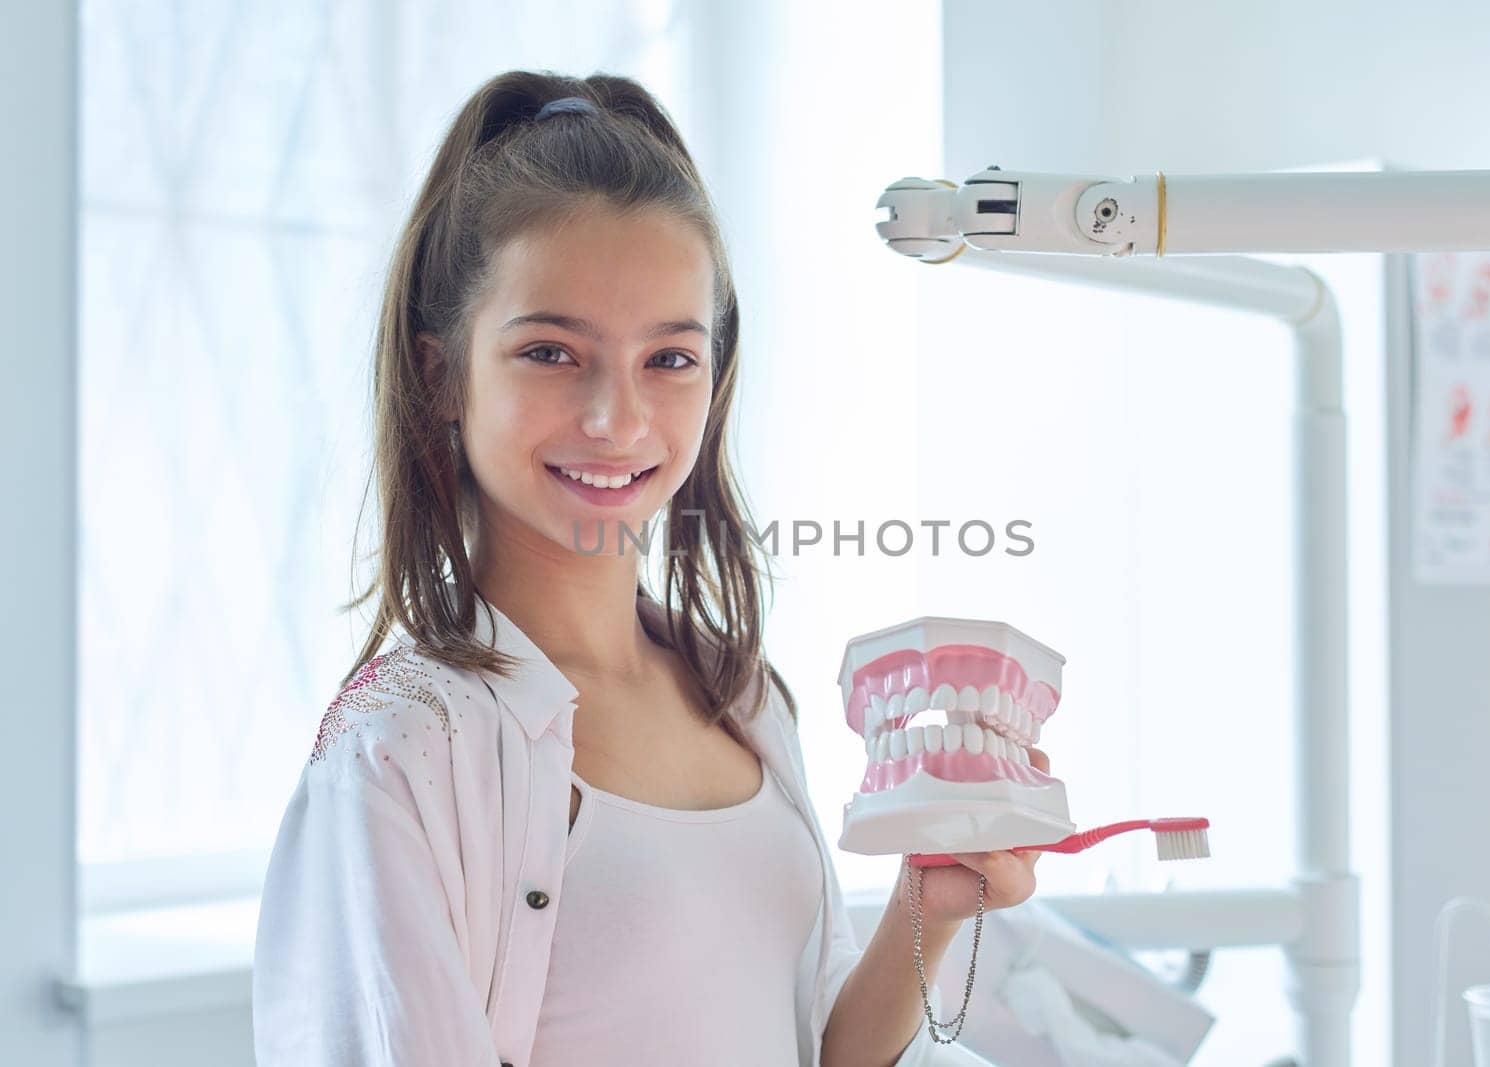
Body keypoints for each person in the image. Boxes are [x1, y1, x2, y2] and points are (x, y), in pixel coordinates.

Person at [251, 69, 1049, 1067]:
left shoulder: (740, 693)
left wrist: (927, 902)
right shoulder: (400, 749)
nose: (614, 418)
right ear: (439, 372)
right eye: (550, 351)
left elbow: (819, 1045)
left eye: (668, 359)